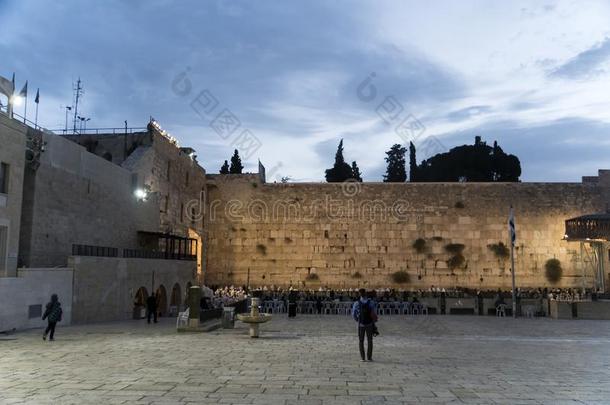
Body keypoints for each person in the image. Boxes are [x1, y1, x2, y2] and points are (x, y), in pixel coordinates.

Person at [351, 288, 377, 361]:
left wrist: (358, 320)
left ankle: (362, 358)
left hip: (361, 324)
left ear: (359, 294)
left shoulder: (356, 303)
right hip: (369, 324)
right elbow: (374, 313)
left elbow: (353, 314)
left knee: (361, 341)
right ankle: (369, 357)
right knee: (370, 340)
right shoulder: (371, 302)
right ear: (365, 293)